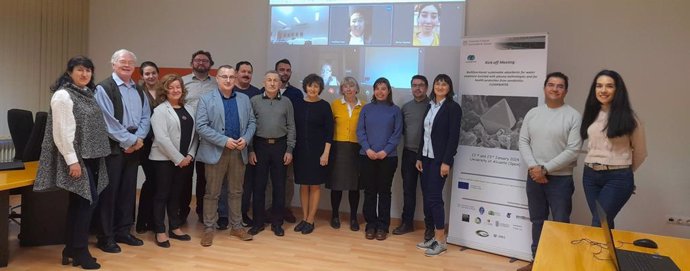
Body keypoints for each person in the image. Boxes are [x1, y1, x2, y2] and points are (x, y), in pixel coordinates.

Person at [34, 55, 110, 270]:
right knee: (87, 203)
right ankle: (80, 251)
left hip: (91, 156)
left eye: (88, 70)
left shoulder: (87, 93)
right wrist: (72, 161)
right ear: (69, 72)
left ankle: (70, 248)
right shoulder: (63, 96)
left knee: (81, 204)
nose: (85, 74)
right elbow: (61, 132)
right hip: (75, 158)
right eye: (80, 70)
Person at [517, 72, 582, 271]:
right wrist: (534, 168)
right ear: (544, 88)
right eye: (551, 85)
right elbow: (523, 141)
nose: (555, 89)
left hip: (560, 180)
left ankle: (559, 264)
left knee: (560, 223)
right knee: (537, 221)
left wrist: (545, 169)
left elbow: (573, 150)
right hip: (534, 177)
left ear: (566, 91)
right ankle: (537, 262)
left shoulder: (574, 116)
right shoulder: (533, 113)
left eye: (560, 86)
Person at [94, 49, 150, 253]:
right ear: (113, 64)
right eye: (122, 62)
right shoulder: (104, 88)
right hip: (114, 149)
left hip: (134, 147)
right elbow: (108, 122)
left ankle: (123, 231)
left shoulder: (138, 89)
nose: (127, 65)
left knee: (127, 192)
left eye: (130, 62)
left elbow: (146, 116)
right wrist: (130, 141)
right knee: (110, 194)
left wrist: (139, 139)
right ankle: (105, 237)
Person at [196, 66, 256, 246]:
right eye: (224, 76)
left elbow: (252, 121)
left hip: (238, 151)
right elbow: (201, 126)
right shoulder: (206, 99)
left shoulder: (244, 99)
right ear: (217, 78)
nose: (228, 80)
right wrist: (224, 141)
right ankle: (208, 228)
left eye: (231, 77)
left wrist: (245, 139)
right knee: (212, 193)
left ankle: (236, 227)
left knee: (236, 191)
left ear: (236, 78)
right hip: (216, 151)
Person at [580, 70, 647, 229]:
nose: (603, 90)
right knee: (604, 222)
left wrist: (625, 174)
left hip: (617, 177)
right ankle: (608, 254)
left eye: (609, 86)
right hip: (590, 176)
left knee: (598, 222)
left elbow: (641, 152)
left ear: (618, 90)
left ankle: (599, 253)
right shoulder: (591, 114)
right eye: (599, 86)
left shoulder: (630, 119)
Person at [414, 74, 462, 257]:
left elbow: (453, 137)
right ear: (433, 86)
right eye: (438, 83)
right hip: (426, 159)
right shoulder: (430, 105)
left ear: (449, 88)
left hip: (439, 160)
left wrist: (446, 162)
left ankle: (441, 241)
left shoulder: (452, 108)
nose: (440, 86)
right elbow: (424, 134)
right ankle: (434, 237)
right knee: (427, 199)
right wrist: (419, 156)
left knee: (434, 199)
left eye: (444, 84)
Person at [148, 74, 196, 248]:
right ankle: (160, 231)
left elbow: (194, 136)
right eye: (172, 87)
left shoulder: (189, 109)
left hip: (185, 160)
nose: (176, 90)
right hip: (164, 160)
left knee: (176, 194)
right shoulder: (160, 110)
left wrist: (190, 155)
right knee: (162, 195)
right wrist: (178, 158)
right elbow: (161, 139)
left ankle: (175, 227)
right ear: (165, 90)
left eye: (178, 87)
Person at [182, 50, 228, 229]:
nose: (201, 62)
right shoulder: (182, 82)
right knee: (184, 177)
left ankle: (203, 212)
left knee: (205, 177)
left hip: (208, 136)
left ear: (211, 64)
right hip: (186, 135)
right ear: (192, 62)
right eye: (197, 60)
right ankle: (182, 211)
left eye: (205, 60)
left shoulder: (216, 84)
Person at [248, 70, 296, 237]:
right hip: (260, 146)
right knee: (259, 186)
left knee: (279, 187)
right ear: (264, 82)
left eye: (276, 80)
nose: (273, 83)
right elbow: (249, 127)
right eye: (269, 80)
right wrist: (251, 149)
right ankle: (258, 223)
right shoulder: (254, 101)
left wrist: (290, 149)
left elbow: (291, 126)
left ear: (280, 83)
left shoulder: (286, 102)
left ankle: (277, 223)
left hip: (280, 147)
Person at [357, 77, 402, 241]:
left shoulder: (395, 110)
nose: (380, 92)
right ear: (373, 91)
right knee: (369, 193)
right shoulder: (366, 109)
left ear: (389, 91)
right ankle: (371, 225)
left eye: (384, 88)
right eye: (377, 88)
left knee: (384, 193)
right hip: (366, 156)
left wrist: (385, 151)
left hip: (388, 158)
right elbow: (360, 131)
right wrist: (368, 149)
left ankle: (383, 226)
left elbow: (397, 134)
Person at [393, 75, 434, 239]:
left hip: (427, 155)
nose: (417, 88)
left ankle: (430, 227)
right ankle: (407, 223)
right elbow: (401, 131)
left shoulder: (433, 107)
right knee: (408, 190)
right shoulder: (406, 107)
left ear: (427, 87)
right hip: (409, 153)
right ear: (411, 87)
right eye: (414, 85)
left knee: (428, 192)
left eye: (421, 85)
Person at [292, 74, 334, 234]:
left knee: (315, 185)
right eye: (310, 85)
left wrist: (326, 153)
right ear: (306, 87)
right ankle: (304, 218)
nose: (313, 89)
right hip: (300, 151)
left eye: (316, 86)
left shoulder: (325, 106)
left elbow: (329, 132)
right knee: (303, 185)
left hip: (318, 152)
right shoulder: (297, 105)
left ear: (320, 89)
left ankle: (311, 219)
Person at [328, 76, 365, 231]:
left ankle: (353, 217)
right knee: (336, 184)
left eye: (351, 86)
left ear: (357, 89)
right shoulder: (335, 105)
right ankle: (335, 215)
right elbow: (329, 127)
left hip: (357, 148)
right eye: (345, 86)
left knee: (354, 186)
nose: (348, 89)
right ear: (341, 89)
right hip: (338, 147)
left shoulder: (364, 106)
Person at [271, 58, 303, 224]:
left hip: (288, 142)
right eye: (281, 69)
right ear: (276, 71)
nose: (284, 72)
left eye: (287, 70)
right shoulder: (265, 91)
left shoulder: (296, 94)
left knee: (288, 178)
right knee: (271, 177)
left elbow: (297, 120)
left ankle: (285, 208)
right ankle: (271, 208)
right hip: (269, 143)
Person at [234, 60, 263, 227]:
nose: (246, 74)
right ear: (237, 73)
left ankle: (243, 213)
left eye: (249, 72)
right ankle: (225, 215)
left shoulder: (257, 93)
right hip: (230, 144)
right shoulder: (230, 91)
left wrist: (250, 146)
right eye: (243, 71)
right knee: (228, 184)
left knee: (247, 183)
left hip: (250, 145)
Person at [135, 61, 161, 234]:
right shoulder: (138, 93)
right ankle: (142, 220)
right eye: (147, 74)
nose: (150, 76)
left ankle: (153, 220)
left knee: (159, 182)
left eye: (153, 73)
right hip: (145, 143)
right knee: (151, 180)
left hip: (162, 143)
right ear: (142, 76)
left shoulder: (163, 91)